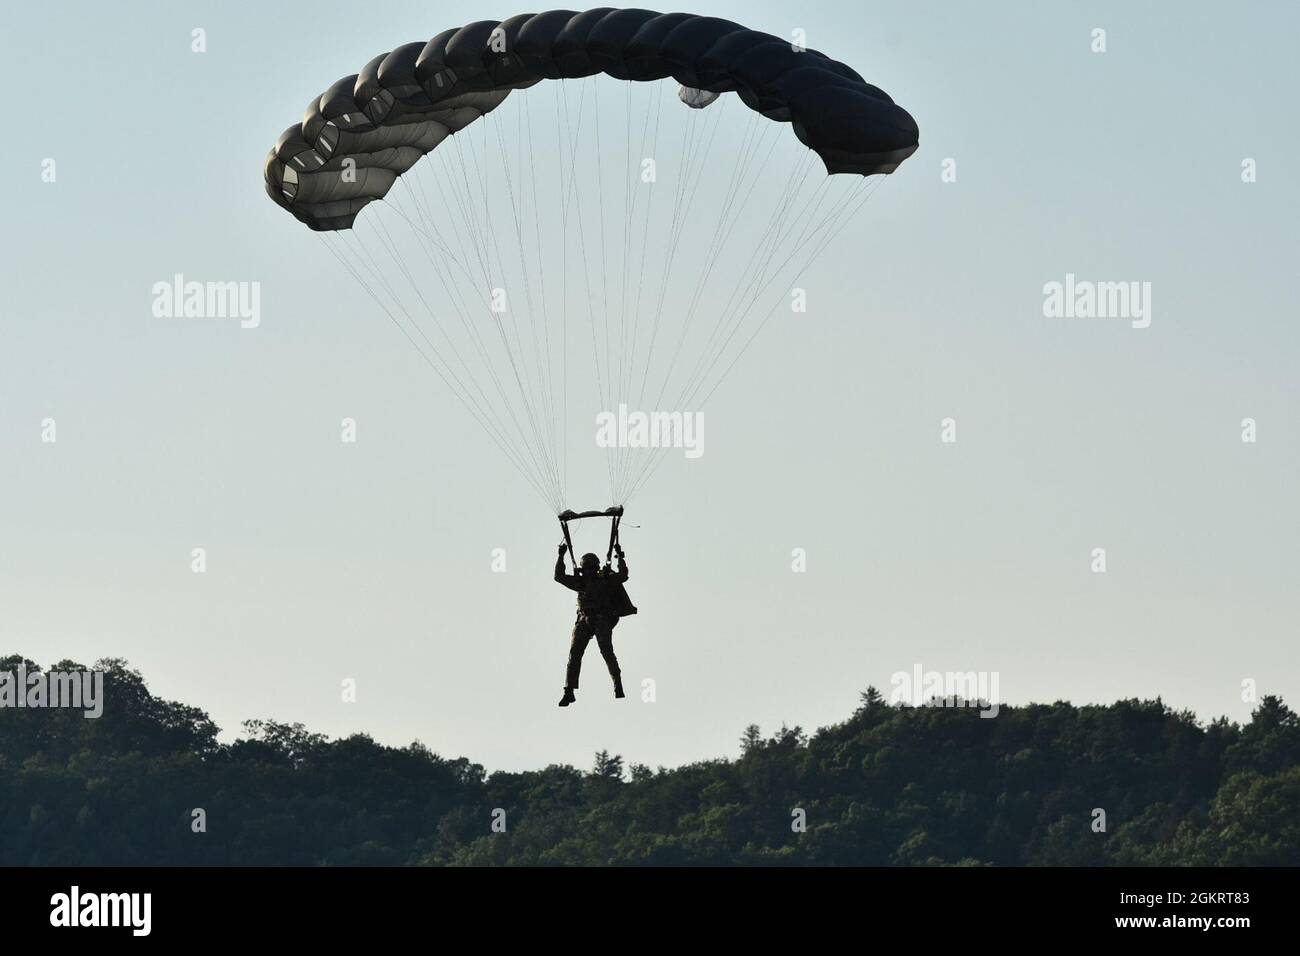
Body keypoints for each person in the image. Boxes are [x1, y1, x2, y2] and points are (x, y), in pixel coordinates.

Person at [554, 542, 630, 706]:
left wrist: (620, 556)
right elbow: (559, 577)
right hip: (583, 620)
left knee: (607, 652)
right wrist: (561, 556)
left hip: (601, 619)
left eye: (592, 569)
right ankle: (569, 691)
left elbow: (623, 575)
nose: (589, 573)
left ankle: (618, 685)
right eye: (586, 570)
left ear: (596, 569)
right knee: (574, 655)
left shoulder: (606, 581)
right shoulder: (580, 583)